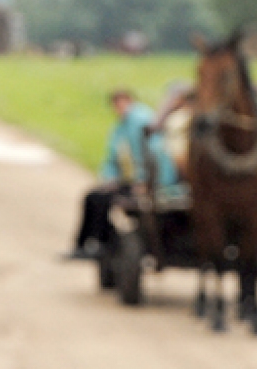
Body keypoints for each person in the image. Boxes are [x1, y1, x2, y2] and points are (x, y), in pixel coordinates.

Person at [67, 89, 178, 259]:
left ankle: (97, 242)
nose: (119, 108)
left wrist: (145, 182)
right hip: (127, 181)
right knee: (93, 197)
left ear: (130, 101)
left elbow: (156, 154)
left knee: (100, 200)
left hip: (148, 183)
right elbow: (112, 158)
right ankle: (87, 243)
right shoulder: (120, 127)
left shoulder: (142, 121)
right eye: (116, 104)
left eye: (122, 103)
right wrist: (109, 178)